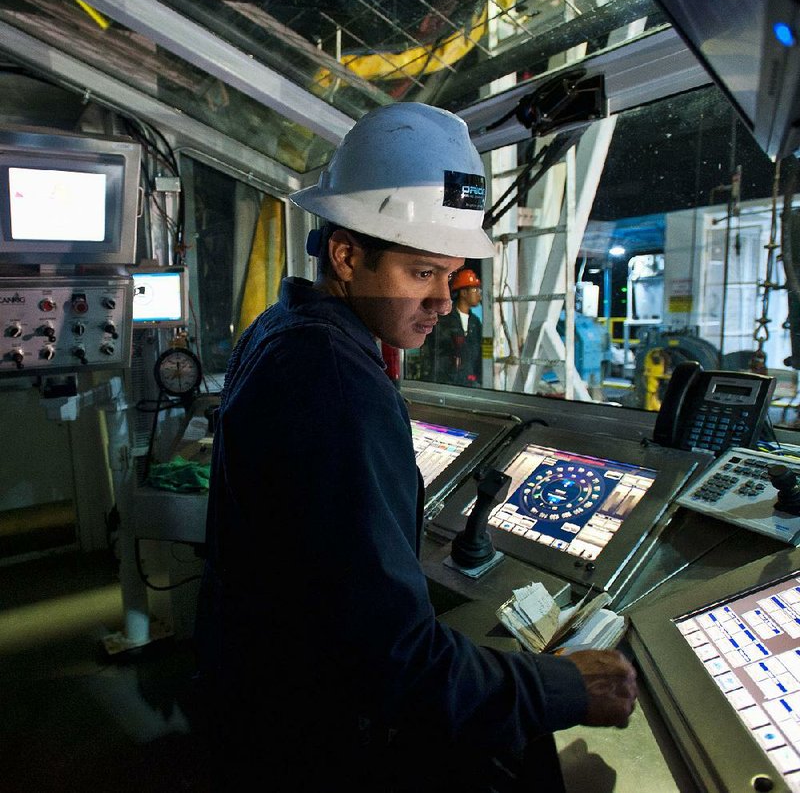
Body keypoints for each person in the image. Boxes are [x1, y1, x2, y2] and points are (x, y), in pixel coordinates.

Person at [195, 102, 637, 792]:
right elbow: (392, 658)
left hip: (249, 691)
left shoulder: (281, 328)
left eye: (453, 276)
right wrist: (559, 686)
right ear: (346, 255)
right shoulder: (337, 381)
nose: (445, 303)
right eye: (422, 273)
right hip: (304, 738)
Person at [422, 266, 484, 386]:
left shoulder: (475, 322)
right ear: (464, 292)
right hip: (444, 383)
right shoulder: (443, 320)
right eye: (475, 290)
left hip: (468, 383)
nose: (479, 295)